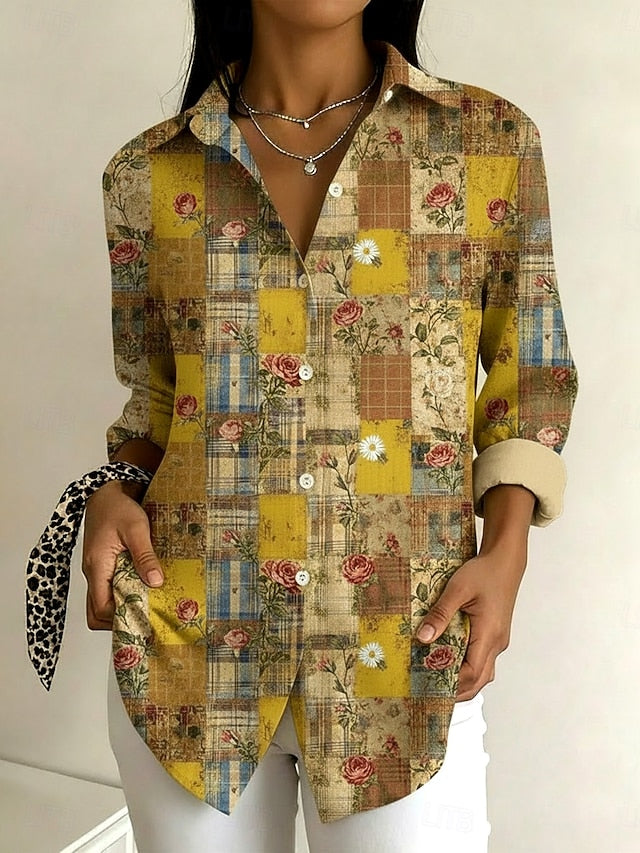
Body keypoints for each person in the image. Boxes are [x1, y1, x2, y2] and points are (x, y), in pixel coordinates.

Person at [25, 1, 578, 851]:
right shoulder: (148, 174)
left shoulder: (487, 144)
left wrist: (508, 552)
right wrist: (114, 494)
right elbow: (156, 403)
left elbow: (527, 381)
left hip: (400, 655)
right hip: (187, 655)